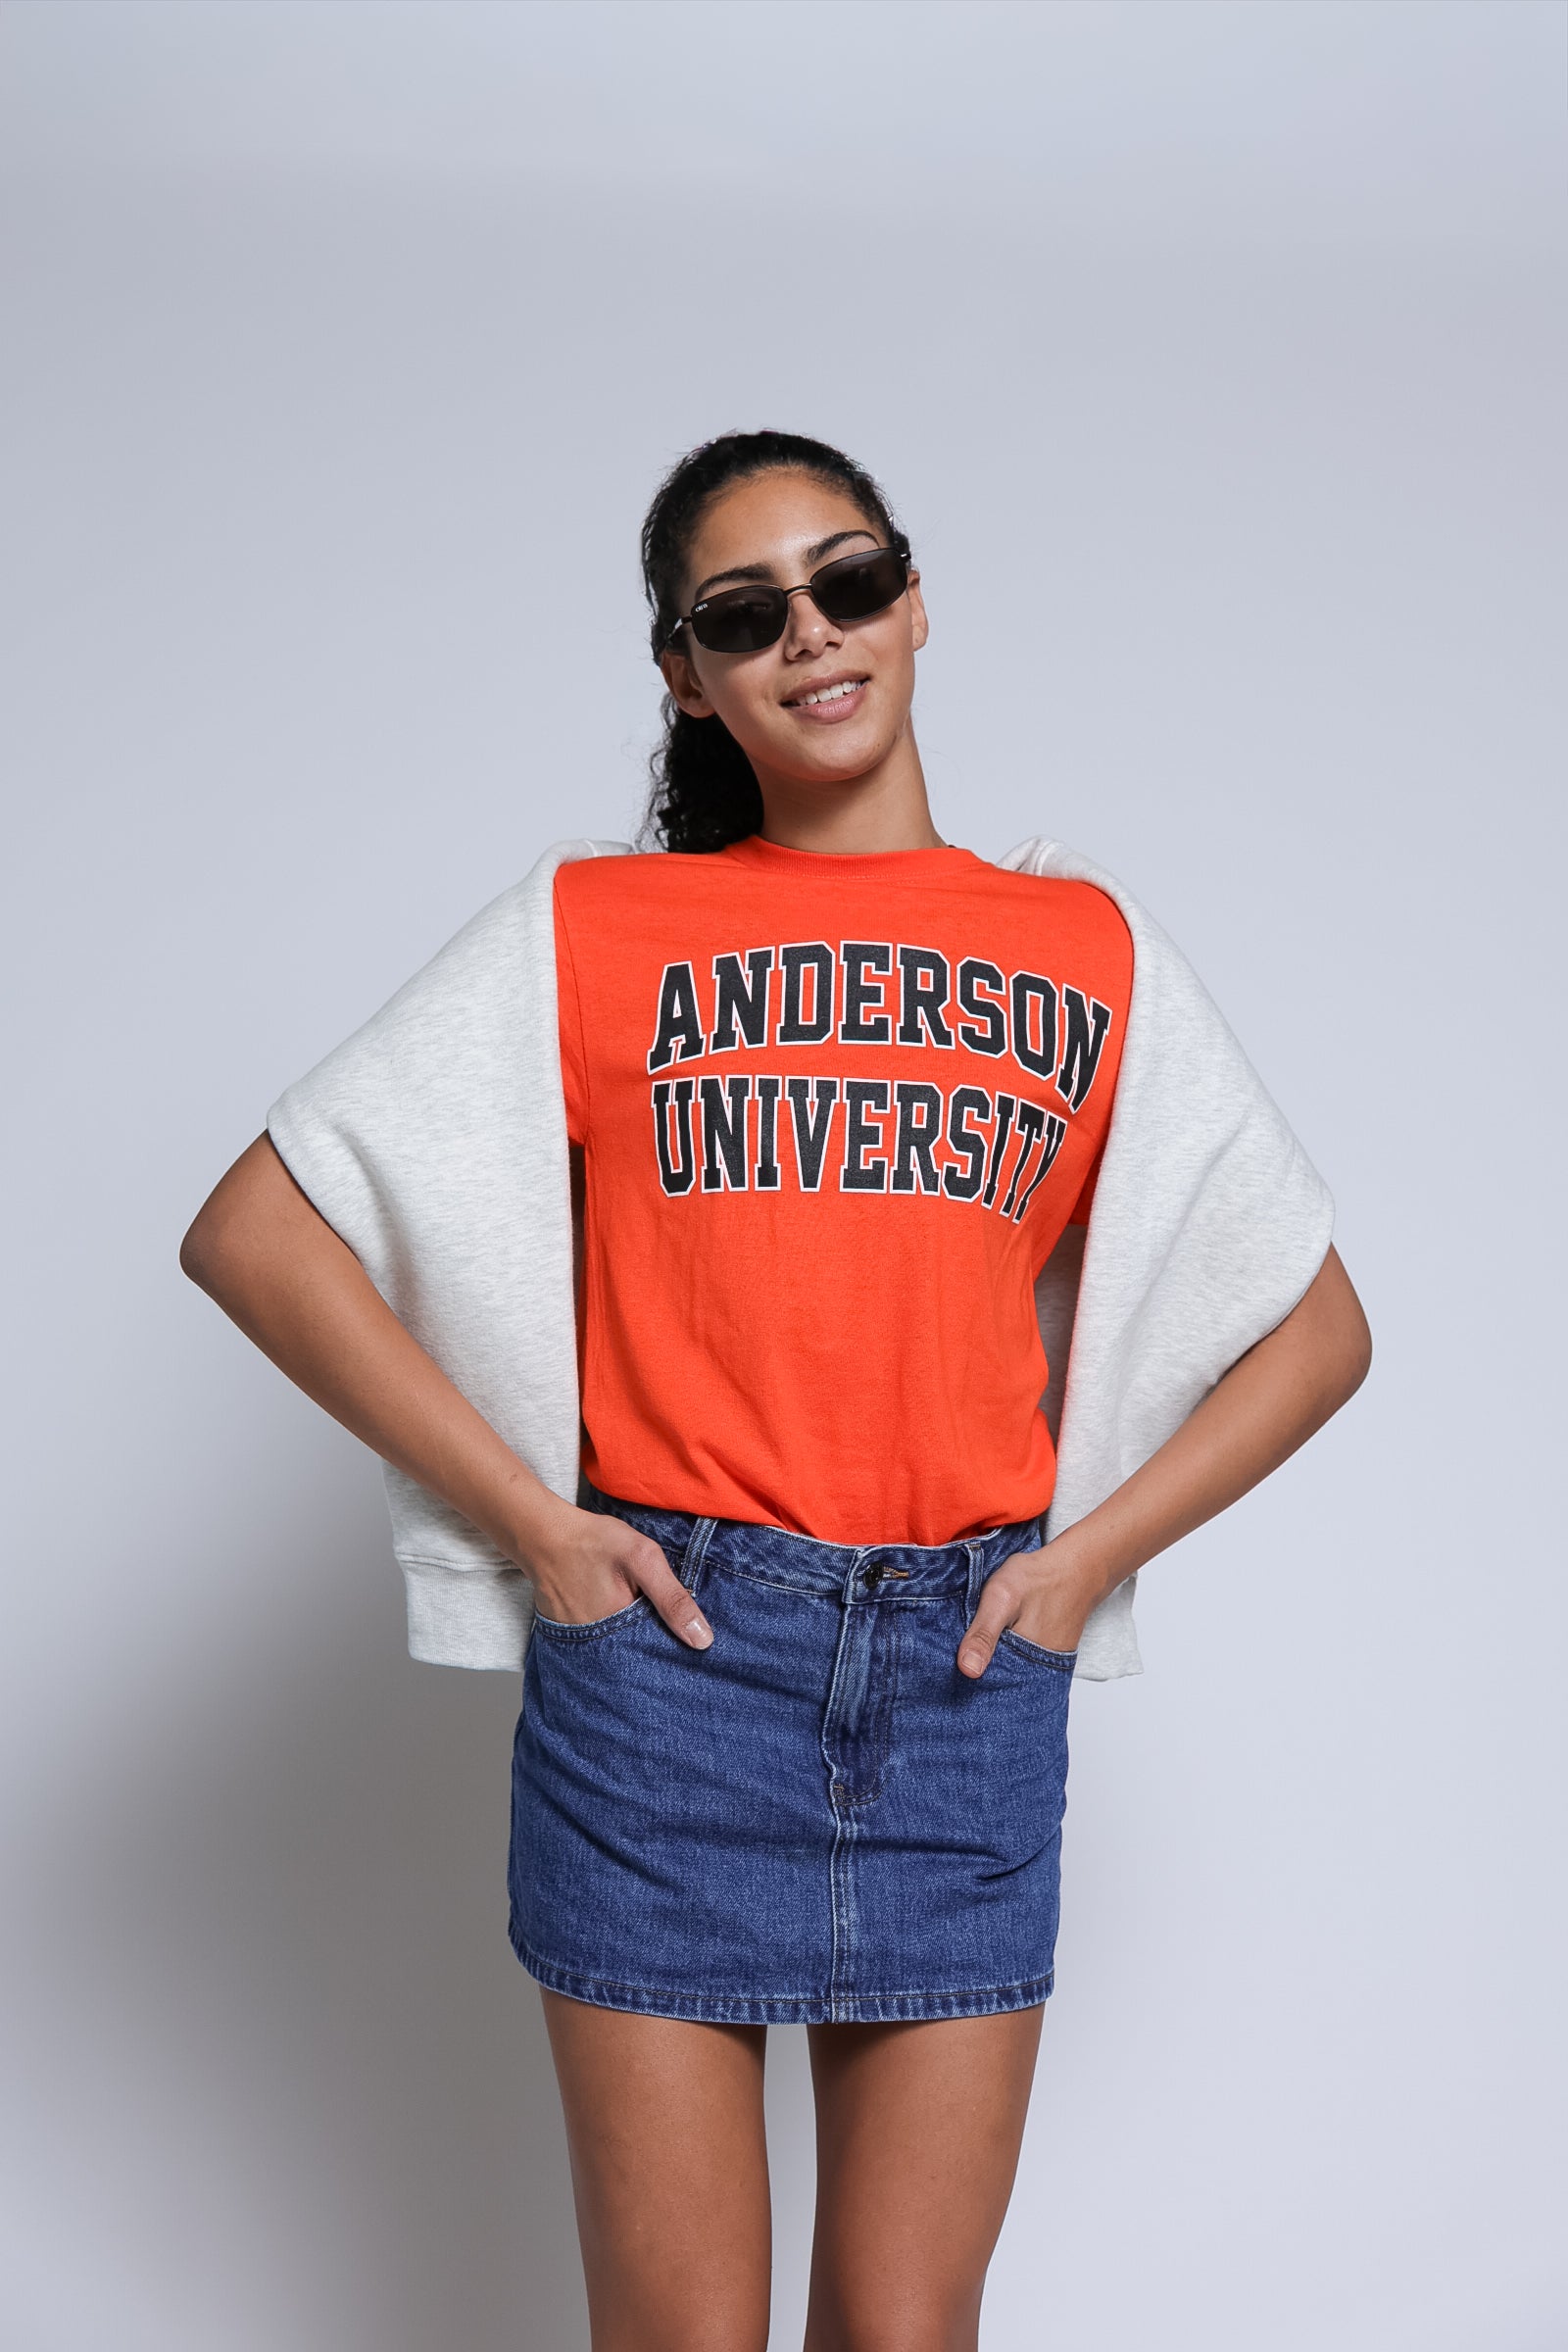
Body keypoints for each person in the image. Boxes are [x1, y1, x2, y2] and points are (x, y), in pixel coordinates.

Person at [181, 429, 1372, 2352]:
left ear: (915, 599)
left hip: (967, 1687)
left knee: (904, 2330)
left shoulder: (1082, 950)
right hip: (668, 1674)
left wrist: (1077, 1568)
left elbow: (1314, 1329)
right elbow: (256, 1231)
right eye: (745, 614)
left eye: (849, 579)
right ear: (687, 673)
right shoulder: (595, 928)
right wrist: (540, 1527)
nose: (811, 633)